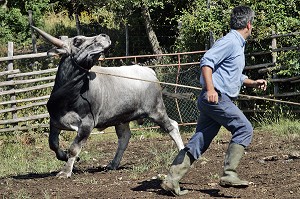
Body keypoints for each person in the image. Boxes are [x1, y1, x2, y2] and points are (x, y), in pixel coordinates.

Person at [161, 5, 267, 196]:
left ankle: (171, 180)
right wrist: (210, 89)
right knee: (244, 128)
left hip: (213, 98)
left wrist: (252, 82)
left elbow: (232, 74)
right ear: (249, 25)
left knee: (199, 140)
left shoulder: (237, 44)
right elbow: (207, 62)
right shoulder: (230, 42)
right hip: (216, 97)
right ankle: (229, 173)